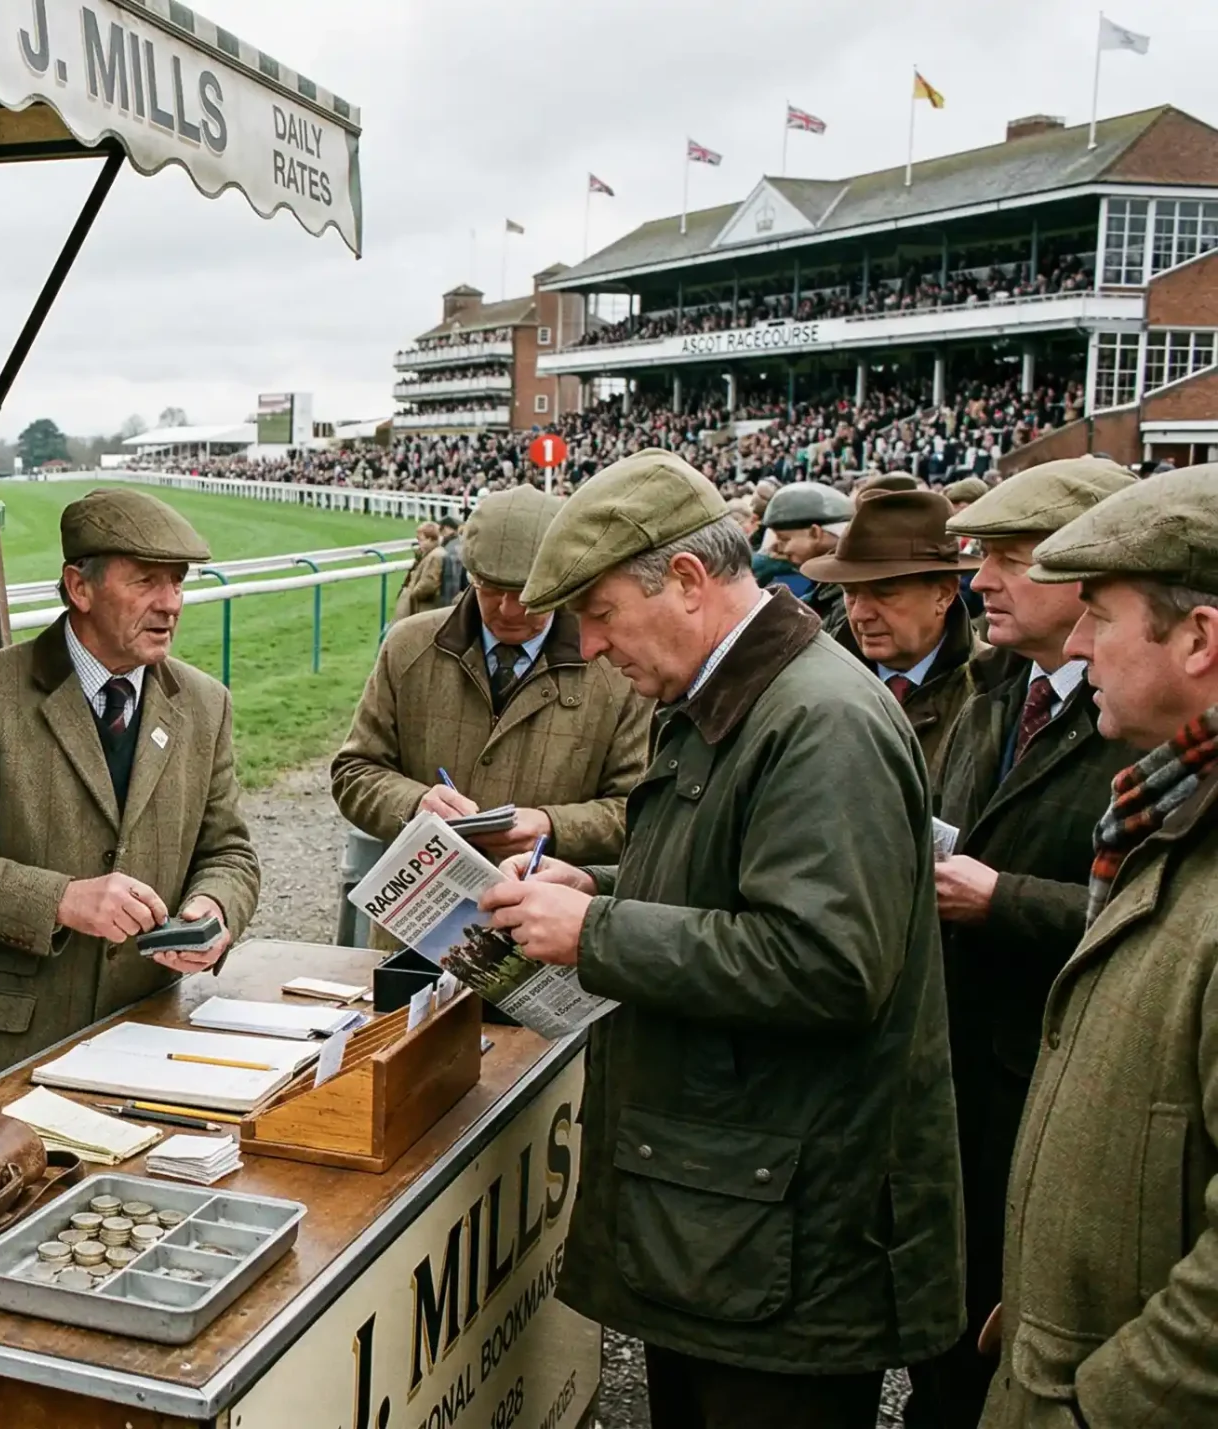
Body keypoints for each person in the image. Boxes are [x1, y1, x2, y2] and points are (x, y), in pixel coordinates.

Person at [480, 448, 964, 1428]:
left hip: (787, 1241)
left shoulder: (819, 721)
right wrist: (596, 884)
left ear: (689, 579)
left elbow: (827, 964)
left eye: (602, 613)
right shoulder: (725, 698)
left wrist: (596, 929)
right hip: (729, 1219)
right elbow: (729, 888)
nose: (592, 645)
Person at [897, 459, 1136, 1429]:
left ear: (1092, 570)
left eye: (1011, 557)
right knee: (946, 1349)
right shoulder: (992, 686)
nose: (981, 579)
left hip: (1057, 1100)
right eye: (980, 555)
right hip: (957, 1086)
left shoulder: (1143, 711)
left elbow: (1163, 921)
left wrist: (1005, 901)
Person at [980, 463, 1218, 1428]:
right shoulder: (1165, 812)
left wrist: (1101, 1402)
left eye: (1101, 617)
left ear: (1199, 639)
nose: (1079, 646)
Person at [0, 489, 261, 1095]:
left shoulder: (205, 704)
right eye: (146, 582)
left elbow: (229, 852)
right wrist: (62, 900)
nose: (171, 603)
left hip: (146, 1035)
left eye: (177, 582)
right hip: (3, 1053)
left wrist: (214, 911)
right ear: (79, 587)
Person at [330, 485, 651, 869]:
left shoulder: (618, 670)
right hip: (423, 901)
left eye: (529, 594)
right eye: (491, 589)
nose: (510, 610)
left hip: (545, 902)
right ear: (471, 576)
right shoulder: (408, 647)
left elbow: (641, 811)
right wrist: (416, 805)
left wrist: (553, 827)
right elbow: (354, 772)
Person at [802, 489, 984, 780]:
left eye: (884, 594)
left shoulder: (995, 689)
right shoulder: (810, 681)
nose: (860, 614)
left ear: (943, 594)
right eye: (850, 593)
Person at [755, 481, 853, 630]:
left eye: (784, 539)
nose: (776, 548)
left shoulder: (848, 598)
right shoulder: (828, 589)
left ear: (815, 533)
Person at [392, 521, 446, 621]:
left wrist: (413, 594)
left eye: (421, 540)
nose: (419, 543)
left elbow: (429, 583)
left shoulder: (435, 556)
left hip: (423, 608)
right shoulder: (430, 554)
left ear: (430, 539)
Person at [435, 514, 469, 606]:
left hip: (453, 598)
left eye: (441, 529)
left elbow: (451, 581)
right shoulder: (458, 543)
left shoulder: (451, 548)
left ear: (447, 528)